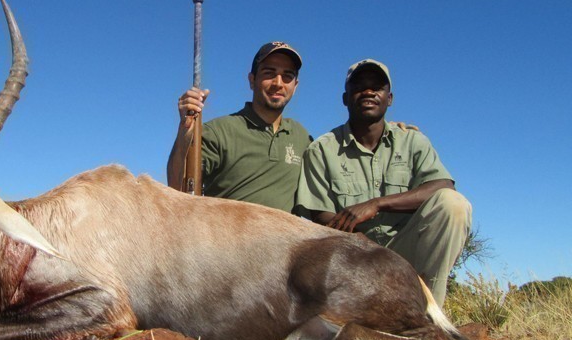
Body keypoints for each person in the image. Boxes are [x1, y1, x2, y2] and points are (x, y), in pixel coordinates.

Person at [295, 59, 471, 305]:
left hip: (408, 253)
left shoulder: (413, 141)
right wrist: (368, 248)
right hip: (357, 257)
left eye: (377, 87)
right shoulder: (322, 150)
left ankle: (431, 312)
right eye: (359, 87)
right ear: (345, 98)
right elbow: (320, 215)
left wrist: (377, 204)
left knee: (453, 204)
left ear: (389, 98)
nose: (368, 92)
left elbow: (443, 185)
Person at [167, 41, 312, 213]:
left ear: (295, 86)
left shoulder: (303, 138)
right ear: (252, 80)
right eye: (269, 73)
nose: (278, 83)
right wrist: (185, 129)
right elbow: (177, 188)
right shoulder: (218, 131)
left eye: (287, 76)